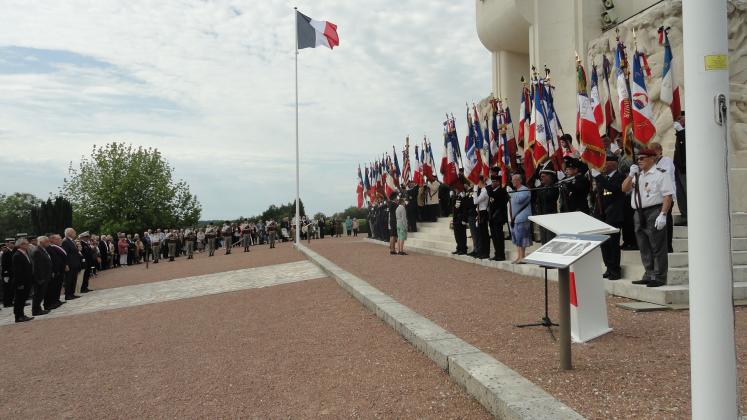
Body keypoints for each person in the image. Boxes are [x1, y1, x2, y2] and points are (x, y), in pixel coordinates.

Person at [622, 148, 673, 288]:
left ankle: (660, 276)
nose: (639, 161)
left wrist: (663, 214)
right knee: (643, 245)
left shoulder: (661, 174)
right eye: (638, 159)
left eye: (643, 158)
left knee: (657, 245)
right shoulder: (638, 175)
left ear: (652, 158)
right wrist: (631, 175)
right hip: (638, 212)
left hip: (654, 210)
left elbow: (668, 196)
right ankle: (649, 273)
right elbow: (624, 188)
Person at [591, 155, 626, 280]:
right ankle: (608, 267)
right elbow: (598, 197)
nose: (603, 166)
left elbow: (614, 188)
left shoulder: (620, 176)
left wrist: (599, 177)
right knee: (604, 244)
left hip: (614, 215)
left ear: (613, 164)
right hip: (603, 215)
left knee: (613, 244)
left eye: (605, 163)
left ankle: (615, 270)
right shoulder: (604, 178)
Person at [651, 141, 676, 253]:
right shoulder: (651, 163)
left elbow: (664, 173)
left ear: (660, 150)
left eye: (655, 150)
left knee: (666, 221)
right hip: (654, 198)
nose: (653, 153)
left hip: (666, 196)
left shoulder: (667, 161)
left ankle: (668, 246)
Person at [509, 174, 532, 263]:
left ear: (519, 180)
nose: (512, 181)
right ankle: (519, 256)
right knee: (517, 238)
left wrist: (511, 193)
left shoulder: (525, 189)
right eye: (512, 180)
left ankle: (523, 257)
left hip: (522, 217)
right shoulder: (517, 190)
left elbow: (519, 200)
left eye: (514, 180)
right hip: (516, 218)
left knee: (522, 238)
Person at [487, 168, 508, 261]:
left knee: (499, 237)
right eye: (492, 181)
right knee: (494, 238)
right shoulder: (493, 191)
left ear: (499, 182)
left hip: (498, 217)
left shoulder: (501, 191)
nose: (492, 183)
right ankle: (497, 253)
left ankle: (501, 255)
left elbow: (492, 196)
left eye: (495, 181)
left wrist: (487, 186)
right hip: (492, 218)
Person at [536, 163, 560, 244]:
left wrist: (543, 188)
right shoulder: (540, 187)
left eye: (543, 176)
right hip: (542, 216)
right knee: (544, 239)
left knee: (550, 240)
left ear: (549, 177)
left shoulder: (554, 187)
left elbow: (549, 196)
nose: (541, 178)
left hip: (551, 217)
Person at [12, 238, 34, 322]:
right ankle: (18, 316)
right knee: (19, 300)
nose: (28, 245)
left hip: (27, 281)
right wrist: (20, 283)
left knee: (23, 299)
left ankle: (22, 314)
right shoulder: (17, 255)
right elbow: (17, 271)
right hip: (21, 282)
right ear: (20, 245)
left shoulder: (25, 253)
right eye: (26, 244)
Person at [30, 236, 52, 316]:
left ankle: (38, 309)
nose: (48, 243)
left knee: (41, 294)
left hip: (45, 276)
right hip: (40, 278)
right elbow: (37, 267)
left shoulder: (42, 249)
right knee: (38, 294)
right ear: (42, 242)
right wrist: (40, 278)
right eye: (47, 241)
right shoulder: (37, 251)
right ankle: (36, 310)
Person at [673, 111, 687, 225]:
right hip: (679, 168)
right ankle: (685, 215)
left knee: (688, 193)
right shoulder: (680, 133)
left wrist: (682, 131)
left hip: (688, 169)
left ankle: (693, 215)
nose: (679, 121)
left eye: (681, 118)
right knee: (680, 194)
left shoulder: (688, 131)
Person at [46, 234, 67, 309]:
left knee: (58, 286)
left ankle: (57, 300)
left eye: (60, 239)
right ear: (52, 240)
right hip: (55, 270)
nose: (60, 240)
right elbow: (54, 260)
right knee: (54, 287)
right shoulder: (51, 247)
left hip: (60, 269)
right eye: (57, 239)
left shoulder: (57, 247)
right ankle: (53, 302)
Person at [61, 227, 81, 301]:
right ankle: (68, 295)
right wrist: (66, 264)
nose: (75, 233)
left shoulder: (72, 241)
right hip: (70, 264)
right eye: (74, 232)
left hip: (75, 264)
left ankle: (72, 294)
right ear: (69, 233)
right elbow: (65, 254)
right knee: (69, 280)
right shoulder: (65, 241)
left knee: (73, 279)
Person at [473, 176, 490, 259]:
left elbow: (475, 201)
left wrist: (475, 191)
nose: (477, 184)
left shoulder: (484, 191)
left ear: (481, 182)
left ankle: (486, 253)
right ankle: (482, 252)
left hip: (483, 212)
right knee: (481, 233)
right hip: (480, 212)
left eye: (478, 182)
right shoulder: (482, 191)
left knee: (484, 234)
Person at [2, 238, 15, 307]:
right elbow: (4, 264)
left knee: (11, 288)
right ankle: (6, 303)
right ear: (7, 244)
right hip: (7, 273)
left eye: (13, 243)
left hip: (11, 273)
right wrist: (5, 274)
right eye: (11, 243)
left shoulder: (12, 251)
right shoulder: (6, 252)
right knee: (7, 289)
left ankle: (10, 302)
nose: (12, 244)